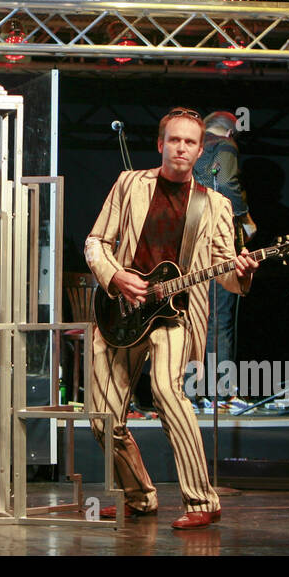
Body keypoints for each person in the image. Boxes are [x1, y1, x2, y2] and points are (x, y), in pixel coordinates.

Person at [84, 107, 258, 528]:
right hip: (121, 309)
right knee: (102, 418)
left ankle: (202, 501)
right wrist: (116, 277)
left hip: (173, 316)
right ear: (161, 144)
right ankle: (140, 496)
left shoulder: (213, 204)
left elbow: (225, 274)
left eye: (190, 142)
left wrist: (242, 273)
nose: (182, 148)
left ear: (201, 151)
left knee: (167, 391)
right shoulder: (130, 184)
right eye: (174, 140)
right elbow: (96, 242)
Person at [192, 110, 256, 405]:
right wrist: (243, 219)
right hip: (214, 241)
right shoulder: (224, 146)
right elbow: (228, 183)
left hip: (185, 242)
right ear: (231, 133)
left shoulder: (188, 148)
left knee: (190, 318)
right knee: (220, 317)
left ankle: (186, 392)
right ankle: (222, 393)